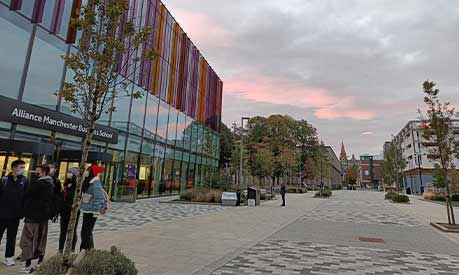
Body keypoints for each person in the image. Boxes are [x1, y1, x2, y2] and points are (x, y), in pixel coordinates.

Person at [19, 164, 54, 273]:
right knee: (40, 238)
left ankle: (28, 266)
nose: (35, 172)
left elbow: (27, 194)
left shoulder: (39, 184)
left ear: (43, 172)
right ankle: (40, 260)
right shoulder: (50, 183)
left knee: (28, 239)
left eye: (37, 171)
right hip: (43, 216)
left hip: (33, 216)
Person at [0, 160, 29, 267]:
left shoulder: (25, 180)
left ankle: (8, 257)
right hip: (2, 214)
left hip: (15, 216)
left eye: (23, 167)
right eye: (21, 167)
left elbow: (26, 198)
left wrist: (22, 212)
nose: (23, 169)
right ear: (14, 168)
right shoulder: (4, 179)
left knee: (11, 237)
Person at [80, 165, 107, 251]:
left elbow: (99, 198)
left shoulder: (96, 183)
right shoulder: (89, 182)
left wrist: (96, 210)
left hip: (92, 211)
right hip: (87, 209)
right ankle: (84, 250)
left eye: (88, 170)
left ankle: (89, 251)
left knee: (86, 232)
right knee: (85, 232)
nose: (86, 172)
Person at [58, 167, 80, 254]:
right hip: (64, 211)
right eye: (68, 172)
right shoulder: (66, 185)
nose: (68, 174)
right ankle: (60, 249)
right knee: (62, 231)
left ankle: (71, 250)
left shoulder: (77, 186)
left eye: (71, 172)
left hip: (73, 211)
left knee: (72, 230)